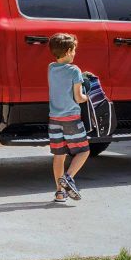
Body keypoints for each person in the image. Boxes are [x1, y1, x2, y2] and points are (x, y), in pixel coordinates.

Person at [46, 33, 92, 203]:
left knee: (59, 155)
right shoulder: (75, 70)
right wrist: (87, 95)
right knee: (84, 151)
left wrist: (80, 77)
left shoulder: (51, 67)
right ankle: (68, 177)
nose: (75, 53)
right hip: (71, 119)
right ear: (67, 51)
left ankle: (59, 193)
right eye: (73, 50)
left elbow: (62, 81)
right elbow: (78, 97)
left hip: (54, 119)